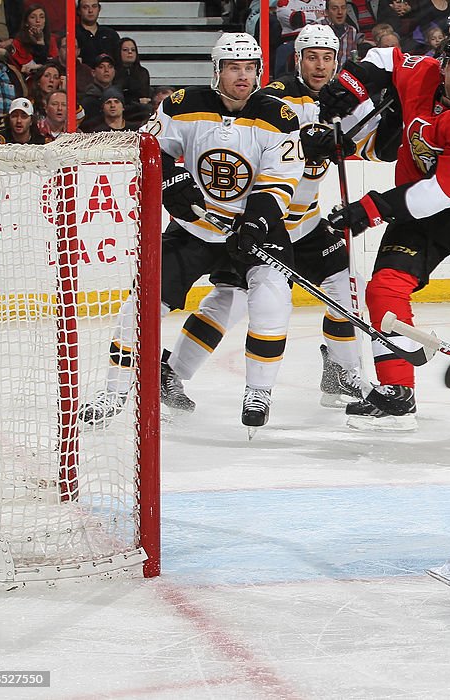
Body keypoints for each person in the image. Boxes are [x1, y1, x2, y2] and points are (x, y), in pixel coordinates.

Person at [77, 33, 303, 432]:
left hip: (254, 229)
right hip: (194, 227)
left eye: (250, 68)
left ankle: (259, 391)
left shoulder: (279, 116)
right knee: (143, 302)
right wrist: (171, 182)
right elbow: (147, 149)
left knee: (272, 299)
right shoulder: (181, 105)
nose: (243, 77)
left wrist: (254, 222)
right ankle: (113, 392)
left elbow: (280, 181)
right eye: (234, 68)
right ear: (217, 70)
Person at [159, 24, 382, 416]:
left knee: (344, 286)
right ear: (297, 60)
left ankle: (341, 373)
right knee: (229, 299)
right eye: (311, 56)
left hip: (306, 224)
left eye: (327, 57)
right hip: (264, 222)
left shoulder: (346, 101)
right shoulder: (274, 98)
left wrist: (389, 105)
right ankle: (172, 372)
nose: (319, 65)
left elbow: (377, 147)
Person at [317, 31, 450, 430]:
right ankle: (397, 395)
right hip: (417, 210)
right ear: (443, 67)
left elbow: (439, 194)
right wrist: (349, 86)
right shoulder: (421, 73)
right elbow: (385, 57)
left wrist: (371, 209)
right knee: (383, 289)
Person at [10, 5, 58, 77]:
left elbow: (53, 63)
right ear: (26, 22)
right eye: (33, 17)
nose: (38, 21)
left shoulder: (51, 40)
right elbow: (30, 68)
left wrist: (41, 41)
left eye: (42, 17)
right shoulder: (18, 42)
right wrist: (40, 43)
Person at [76, 0, 121, 67]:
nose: (90, 10)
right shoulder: (73, 34)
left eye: (94, 6)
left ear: (99, 9)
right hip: (83, 76)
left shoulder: (111, 34)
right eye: (85, 7)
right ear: (79, 11)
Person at [114, 37, 151, 110]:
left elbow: (144, 94)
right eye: (125, 50)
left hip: (141, 107)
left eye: (133, 50)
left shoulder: (143, 72)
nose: (130, 52)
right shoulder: (113, 71)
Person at [322, 0, 360, 70]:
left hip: (343, 77)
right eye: (334, 8)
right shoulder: (315, 28)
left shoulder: (352, 31)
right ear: (326, 12)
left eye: (343, 8)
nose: (340, 12)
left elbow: (353, 60)